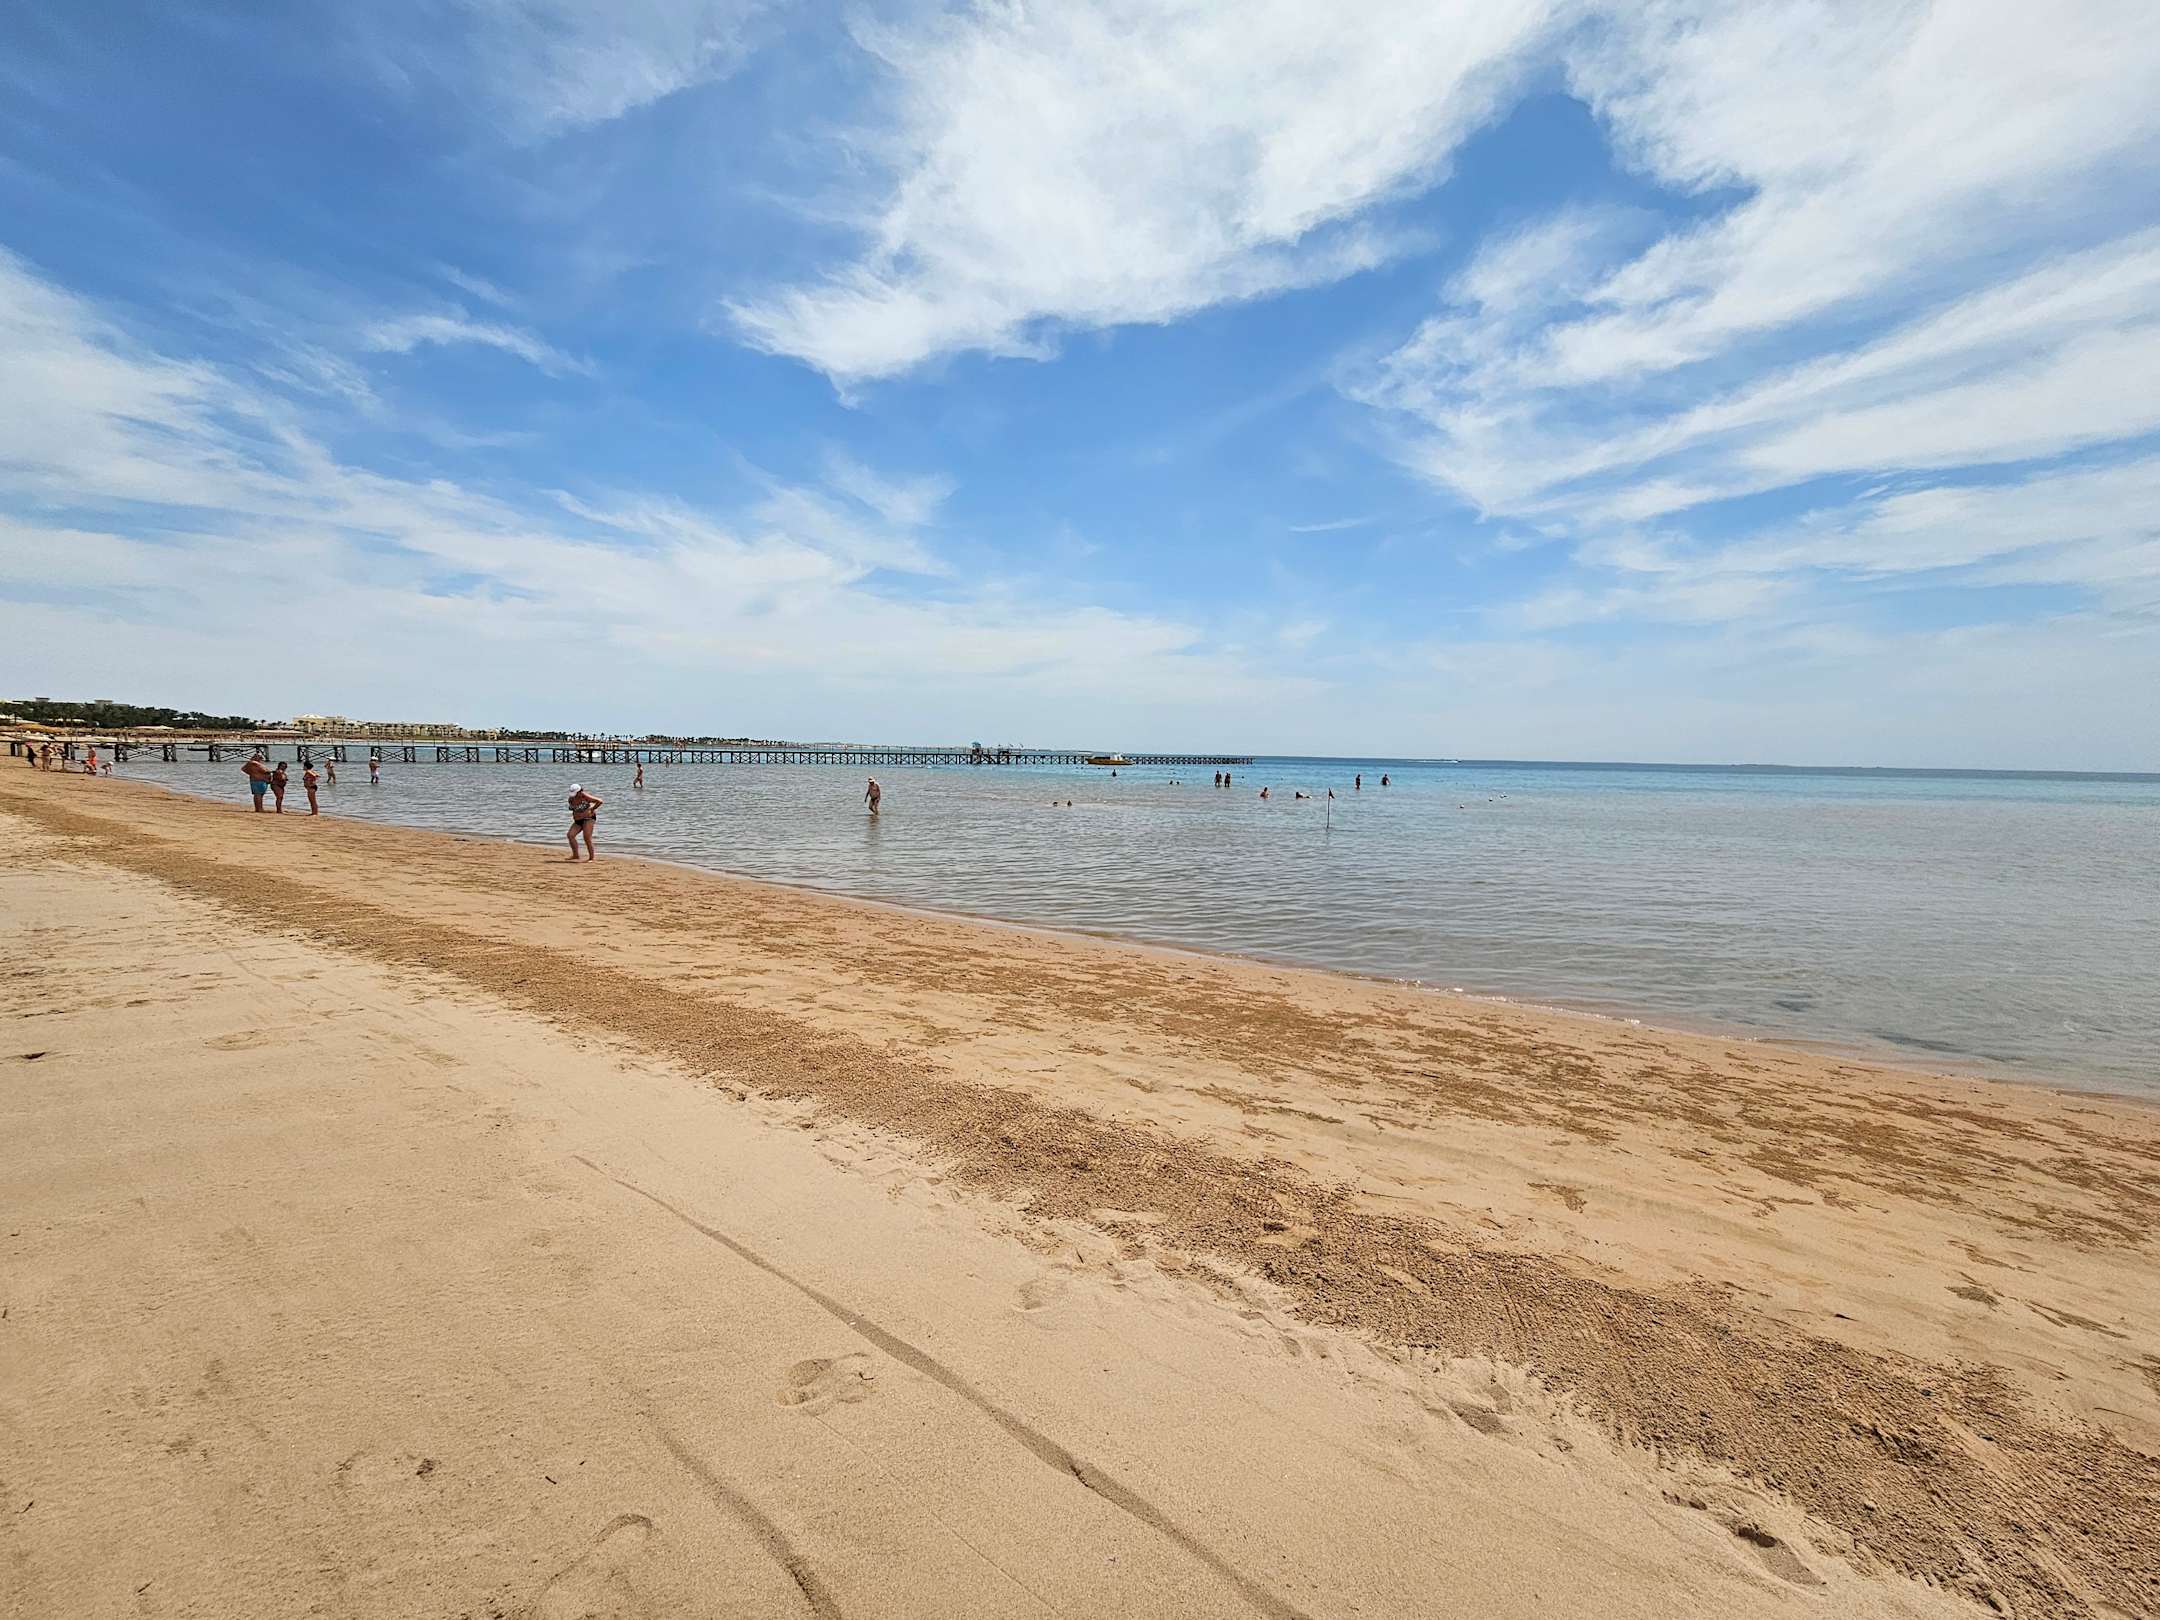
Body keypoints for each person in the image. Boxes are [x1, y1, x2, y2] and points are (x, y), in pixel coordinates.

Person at [566, 783, 602, 860]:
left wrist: (592, 809)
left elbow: (599, 801)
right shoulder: (571, 798)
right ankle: (576, 855)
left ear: (580, 791)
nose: (574, 795)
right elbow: (574, 809)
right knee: (570, 835)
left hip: (588, 819)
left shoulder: (584, 796)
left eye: (575, 793)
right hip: (578, 821)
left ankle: (591, 858)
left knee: (587, 837)